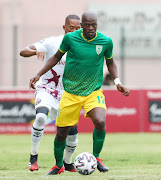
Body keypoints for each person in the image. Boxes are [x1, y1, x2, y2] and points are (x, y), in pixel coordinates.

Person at [29, 11, 130, 175]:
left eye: (94, 25)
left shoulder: (105, 41)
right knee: (62, 132)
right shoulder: (71, 38)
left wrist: (117, 82)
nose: (91, 28)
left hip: (93, 92)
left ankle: (96, 158)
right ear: (82, 25)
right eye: (87, 25)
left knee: (100, 121)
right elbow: (55, 57)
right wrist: (38, 74)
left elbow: (111, 63)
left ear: (97, 25)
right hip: (70, 93)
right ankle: (58, 165)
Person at [20, 14, 81, 172]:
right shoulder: (53, 42)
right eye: (71, 28)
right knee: (41, 117)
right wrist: (35, 52)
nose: (74, 31)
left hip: (67, 94)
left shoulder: (82, 47)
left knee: (71, 130)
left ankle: (67, 162)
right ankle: (34, 155)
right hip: (46, 88)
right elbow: (23, 51)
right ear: (64, 28)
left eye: (77, 28)